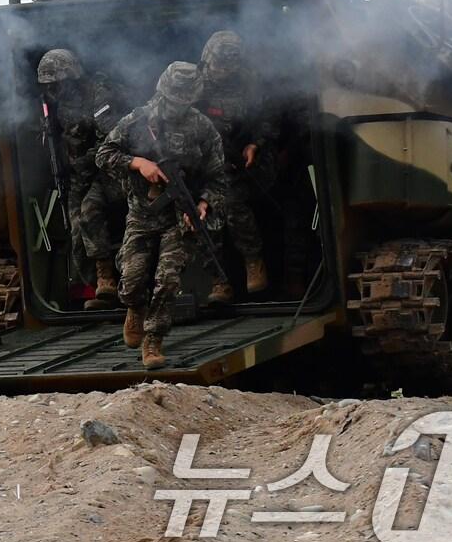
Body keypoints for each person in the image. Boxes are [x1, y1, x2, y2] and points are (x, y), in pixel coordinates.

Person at [96, 62, 227, 370]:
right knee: (130, 279)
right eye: (173, 99)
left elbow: (217, 176)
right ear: (163, 92)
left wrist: (205, 203)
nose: (178, 106)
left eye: (185, 101)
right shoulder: (138, 121)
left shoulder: (202, 128)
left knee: (167, 279)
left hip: (180, 215)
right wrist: (138, 163)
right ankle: (134, 308)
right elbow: (103, 155)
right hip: (143, 213)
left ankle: (153, 339)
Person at [37, 48, 124, 305]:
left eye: (57, 84)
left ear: (71, 77)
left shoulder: (99, 94)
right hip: (79, 175)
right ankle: (99, 286)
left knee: (89, 213)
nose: (53, 90)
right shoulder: (56, 104)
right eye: (49, 85)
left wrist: (87, 159)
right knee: (76, 231)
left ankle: (107, 277)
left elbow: (113, 140)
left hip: (107, 170)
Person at [195, 31, 274, 304]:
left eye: (229, 65)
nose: (223, 71)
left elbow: (265, 118)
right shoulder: (194, 84)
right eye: (218, 64)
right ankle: (219, 281)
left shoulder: (249, 83)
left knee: (233, 205)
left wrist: (255, 143)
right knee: (202, 220)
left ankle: (254, 262)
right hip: (200, 162)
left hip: (236, 163)